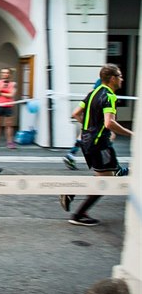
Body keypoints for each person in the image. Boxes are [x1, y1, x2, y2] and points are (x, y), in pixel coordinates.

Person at [59, 64, 133, 226]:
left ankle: (73, 197)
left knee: (108, 175)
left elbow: (75, 113)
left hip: (87, 142)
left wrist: (90, 128)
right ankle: (78, 214)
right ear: (112, 78)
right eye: (119, 76)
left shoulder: (92, 94)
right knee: (106, 181)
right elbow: (109, 123)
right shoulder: (110, 97)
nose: (122, 79)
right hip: (100, 144)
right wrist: (132, 134)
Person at [0, 68, 17, 149]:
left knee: (9, 125)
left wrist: (0, 92)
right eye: (3, 73)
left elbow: (11, 95)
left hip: (8, 105)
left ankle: (10, 142)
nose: (5, 74)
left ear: (9, 74)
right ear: (1, 74)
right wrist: (1, 89)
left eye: (6, 73)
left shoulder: (13, 84)